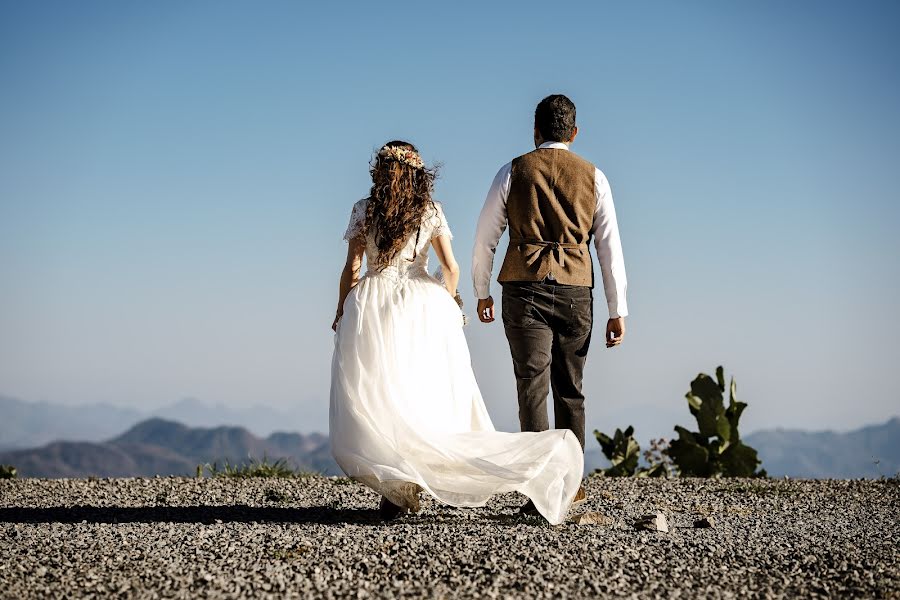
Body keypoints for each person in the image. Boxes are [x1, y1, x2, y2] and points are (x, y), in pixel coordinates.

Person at [329, 140, 583, 525]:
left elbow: (352, 268)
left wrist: (341, 307)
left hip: (374, 302)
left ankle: (400, 487)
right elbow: (450, 267)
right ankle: (413, 480)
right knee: (422, 392)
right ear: (418, 173)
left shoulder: (364, 210)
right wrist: (449, 302)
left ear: (379, 172)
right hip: (421, 305)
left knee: (383, 393)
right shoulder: (429, 211)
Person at [472, 94, 629, 514]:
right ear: (574, 134)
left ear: (535, 130)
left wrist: (481, 290)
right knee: (571, 390)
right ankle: (571, 485)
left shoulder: (514, 170)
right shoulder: (595, 177)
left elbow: (486, 236)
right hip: (577, 289)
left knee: (531, 388)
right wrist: (619, 309)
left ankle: (538, 488)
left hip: (523, 286)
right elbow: (609, 247)